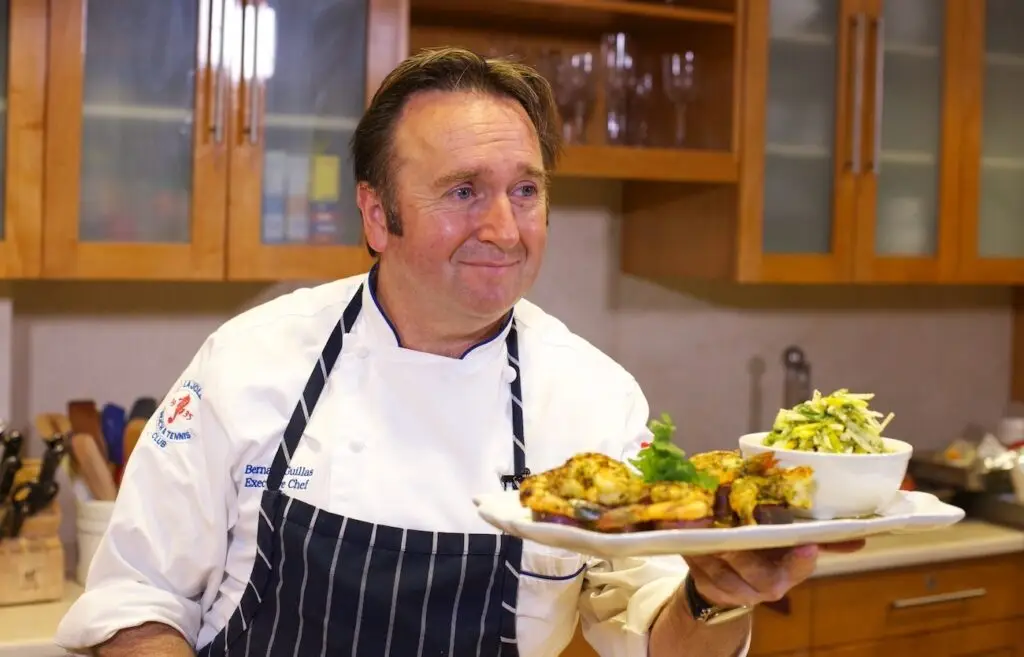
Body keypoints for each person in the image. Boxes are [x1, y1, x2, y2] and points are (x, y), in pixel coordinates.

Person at [55, 47, 861, 657]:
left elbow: (656, 634)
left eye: (526, 190)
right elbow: (136, 599)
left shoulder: (591, 398)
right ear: (377, 214)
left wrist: (719, 596)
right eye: (464, 190)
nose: (505, 231)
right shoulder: (250, 359)